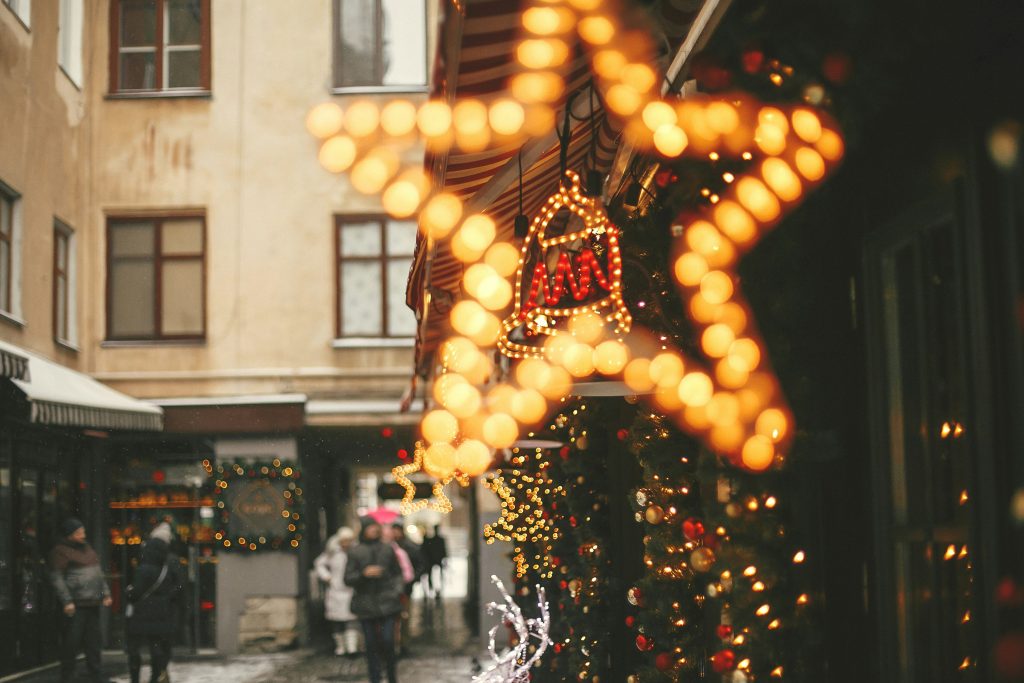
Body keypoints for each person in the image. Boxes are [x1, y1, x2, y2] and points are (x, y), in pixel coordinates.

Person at [49, 517, 113, 683]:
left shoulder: (88, 548)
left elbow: (98, 573)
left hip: (92, 603)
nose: (83, 535)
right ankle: (68, 677)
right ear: (70, 535)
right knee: (72, 643)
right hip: (76, 604)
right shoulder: (60, 551)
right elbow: (57, 578)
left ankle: (96, 675)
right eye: (79, 532)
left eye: (83, 531)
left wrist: (105, 593)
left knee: (93, 643)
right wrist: (67, 601)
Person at [344, 518, 404, 683]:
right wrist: (364, 574)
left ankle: (392, 677)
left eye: (375, 527)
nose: (374, 531)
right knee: (371, 644)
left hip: (388, 602)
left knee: (388, 641)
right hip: (366, 604)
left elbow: (398, 573)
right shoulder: (355, 551)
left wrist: (396, 590)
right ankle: (374, 677)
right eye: (370, 528)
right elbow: (348, 578)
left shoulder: (387, 549)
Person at [125, 522, 183, 683]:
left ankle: (135, 679)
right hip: (162, 612)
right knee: (157, 647)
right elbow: (178, 587)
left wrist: (129, 593)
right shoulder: (168, 564)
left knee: (134, 648)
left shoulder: (144, 569)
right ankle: (156, 676)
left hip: (141, 613)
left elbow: (135, 592)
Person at [314, 526, 359, 656]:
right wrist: (327, 577)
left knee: (352, 619)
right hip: (335, 589)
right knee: (337, 620)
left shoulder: (355, 552)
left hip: (351, 589)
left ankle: (352, 647)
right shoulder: (332, 552)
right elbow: (319, 564)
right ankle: (340, 646)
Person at [420, 525, 448, 600]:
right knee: (435, 576)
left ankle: (434, 589)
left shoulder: (434, 540)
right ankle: (434, 589)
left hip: (434, 560)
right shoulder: (435, 540)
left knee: (435, 576)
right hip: (434, 560)